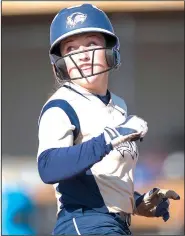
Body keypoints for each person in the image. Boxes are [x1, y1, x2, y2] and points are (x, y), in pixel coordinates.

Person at [37, 4, 180, 235]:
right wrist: (108, 138)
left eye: (91, 44)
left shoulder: (118, 106)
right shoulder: (61, 105)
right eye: (71, 49)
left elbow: (100, 181)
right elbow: (48, 167)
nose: (82, 55)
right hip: (83, 223)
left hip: (113, 225)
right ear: (61, 63)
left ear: (109, 50)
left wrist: (137, 202)